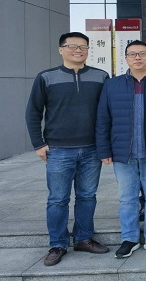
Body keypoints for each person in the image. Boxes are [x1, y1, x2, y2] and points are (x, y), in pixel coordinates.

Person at [25, 32, 110, 266]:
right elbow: (33, 112)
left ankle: (83, 239)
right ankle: (58, 244)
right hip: (59, 149)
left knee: (87, 196)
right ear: (61, 49)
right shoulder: (46, 77)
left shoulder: (101, 76)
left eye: (83, 47)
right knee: (58, 199)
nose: (78, 50)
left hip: (92, 149)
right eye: (72, 46)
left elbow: (107, 112)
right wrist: (38, 143)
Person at [96, 41, 146, 258]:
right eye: (132, 54)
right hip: (122, 153)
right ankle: (129, 238)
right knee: (127, 198)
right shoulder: (112, 85)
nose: (138, 58)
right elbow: (103, 118)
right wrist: (104, 149)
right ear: (125, 58)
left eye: (142, 54)